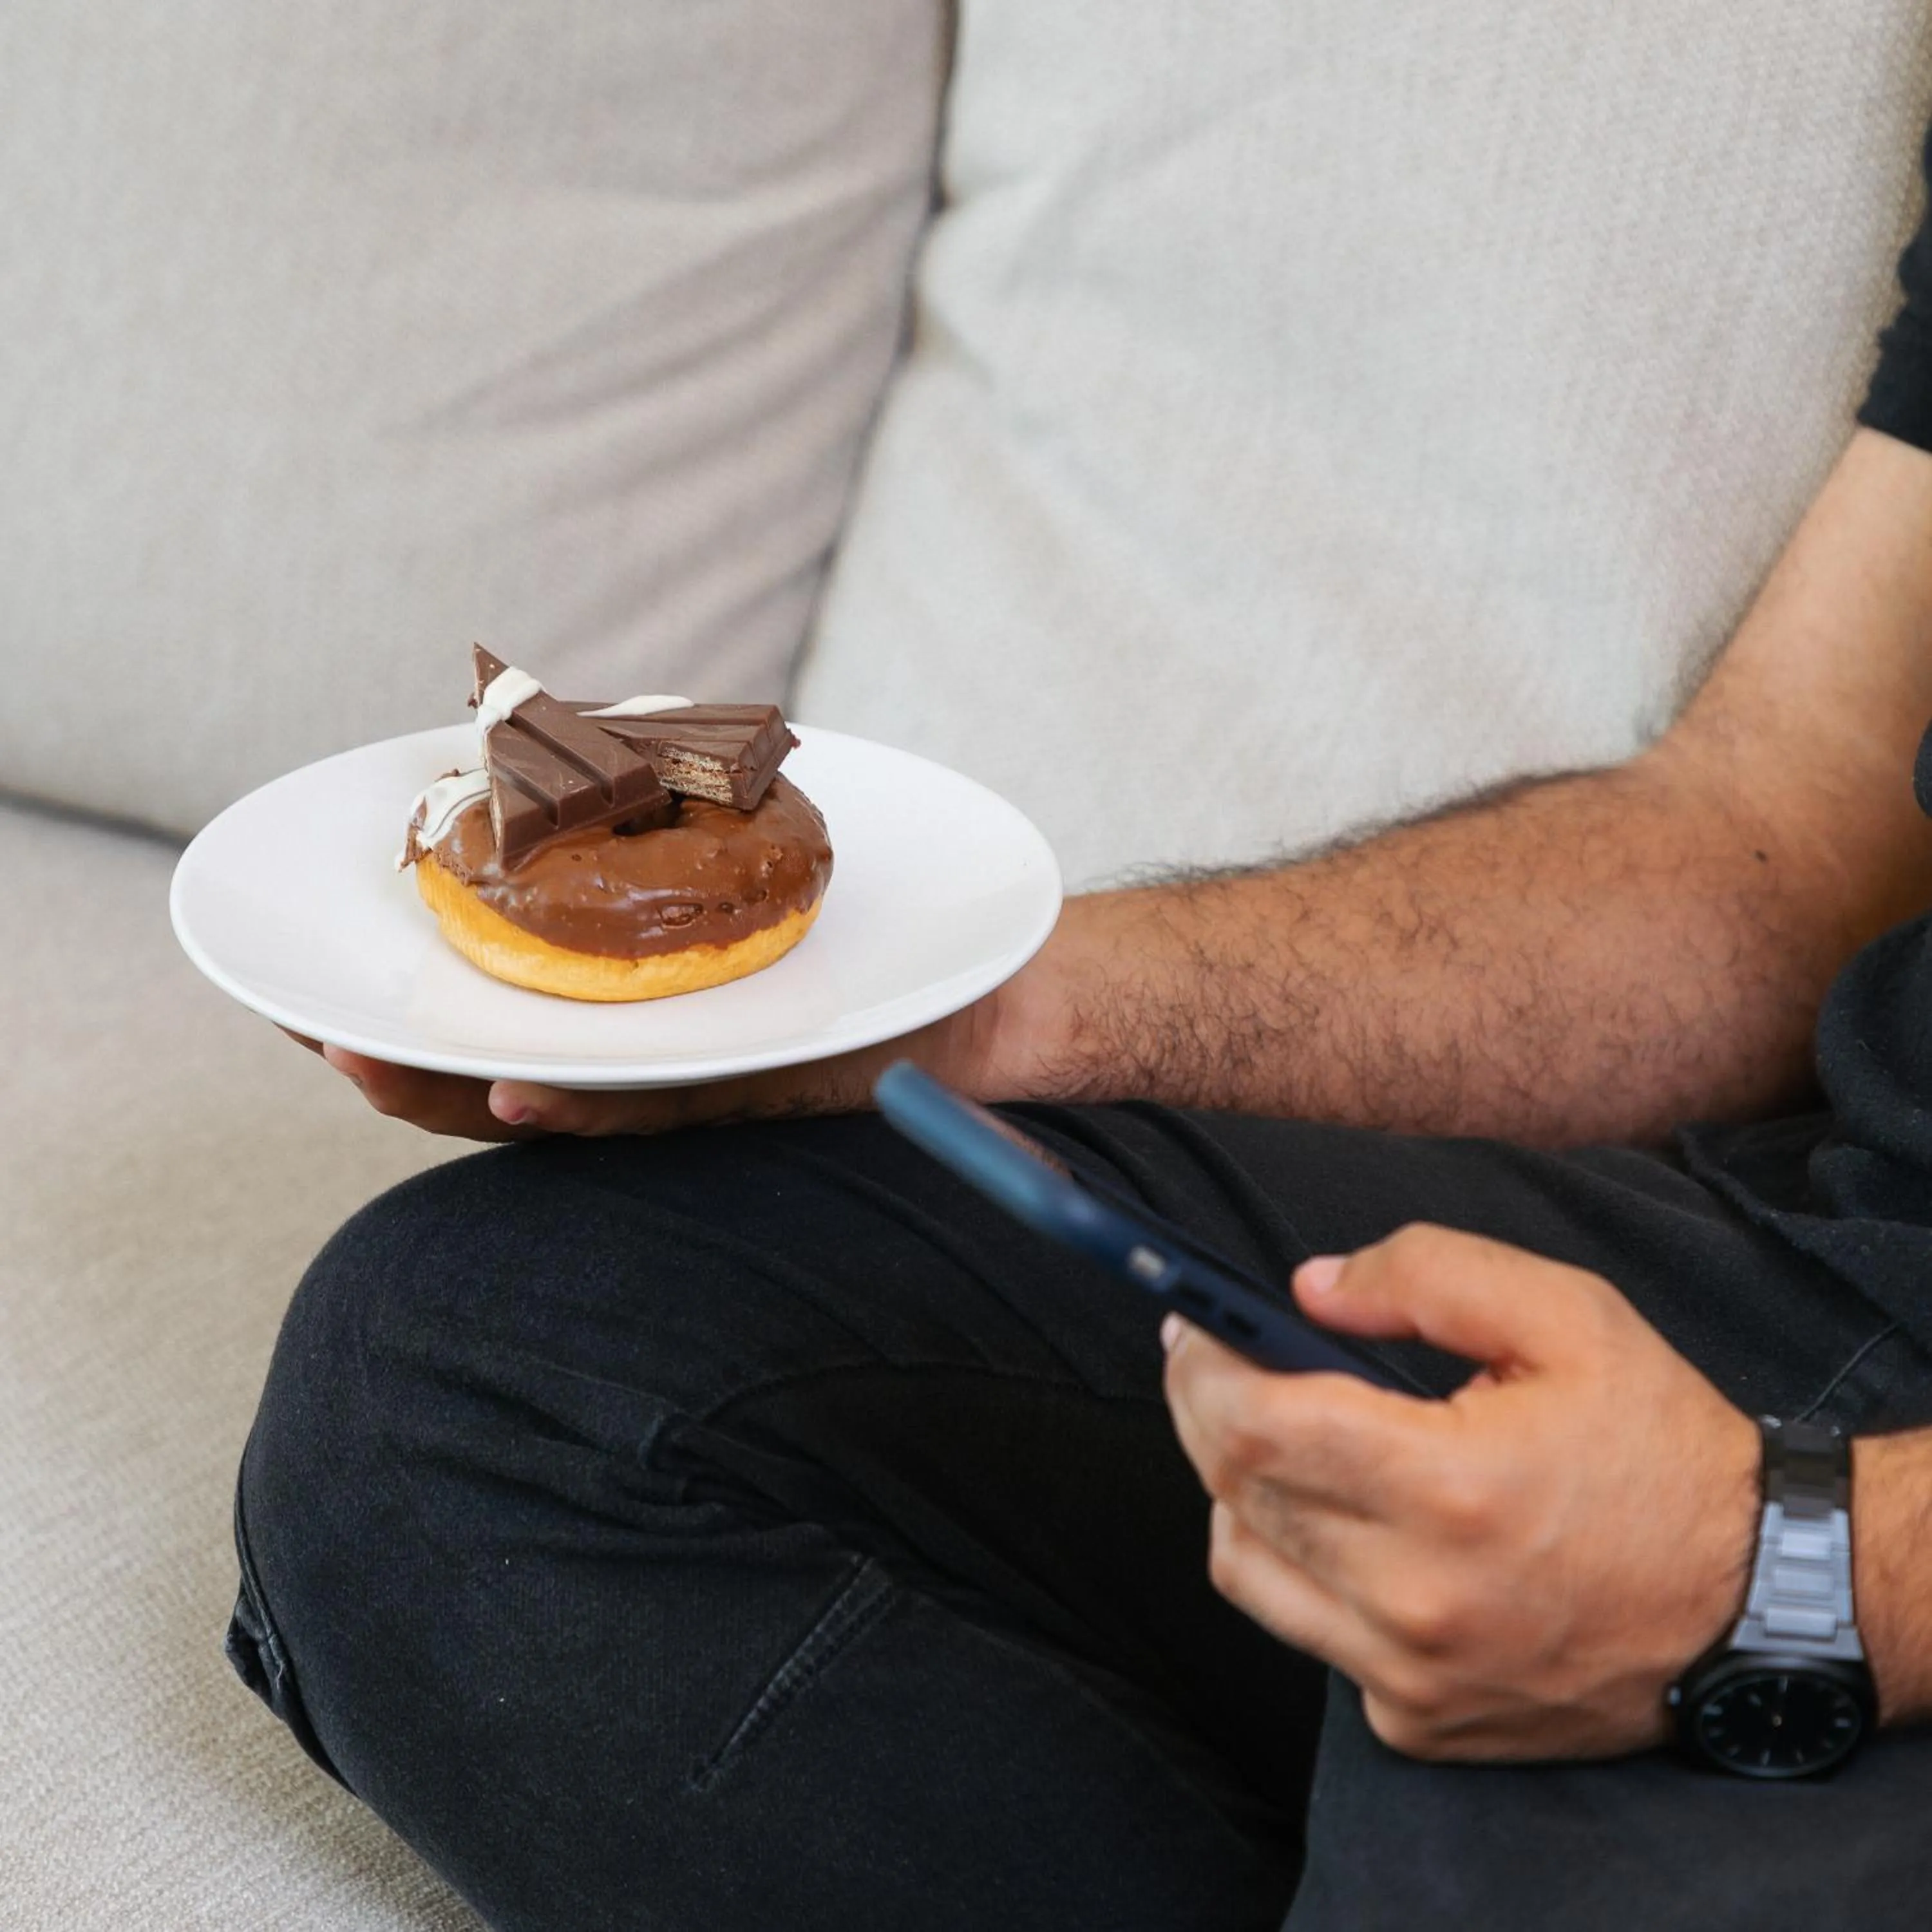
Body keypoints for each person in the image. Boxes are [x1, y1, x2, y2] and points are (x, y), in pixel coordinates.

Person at [236, 118, 1932, 1931]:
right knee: (474, 1386)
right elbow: (1786, 848)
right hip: (1844, 1252)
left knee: (1493, 1836)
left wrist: (1809, 1574)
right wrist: (957, 1017)